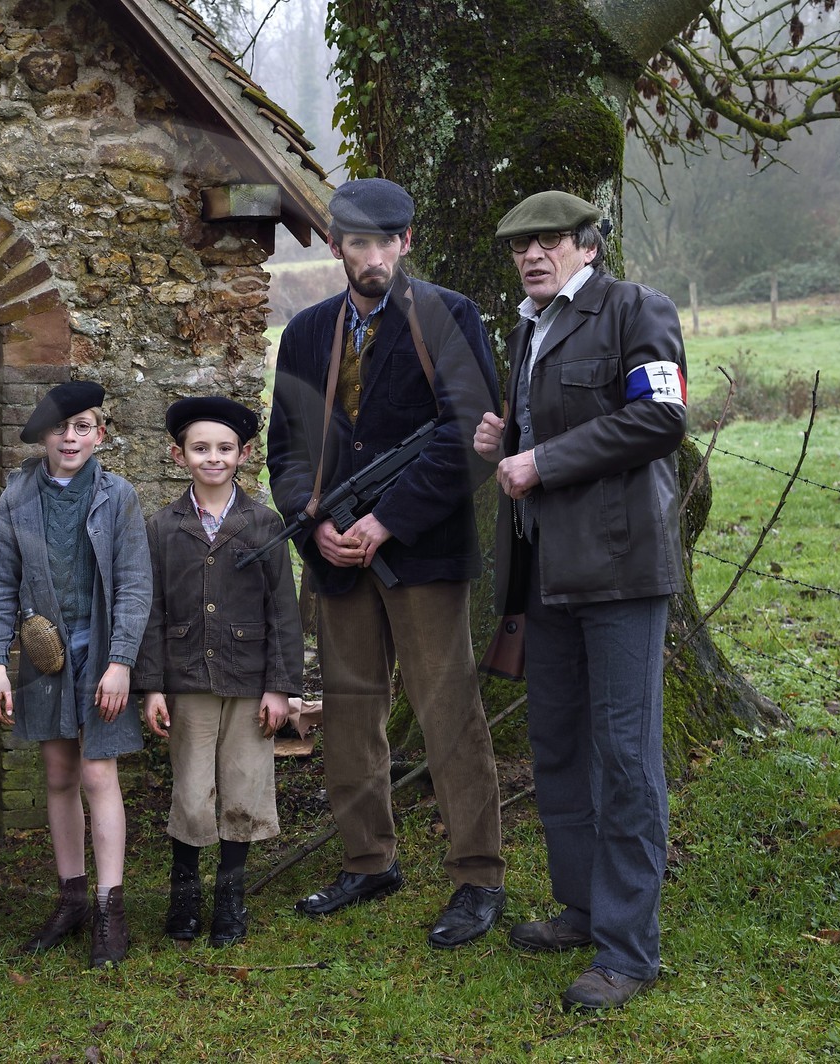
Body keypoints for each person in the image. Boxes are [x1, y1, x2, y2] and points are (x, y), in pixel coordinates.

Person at [267, 177, 507, 948]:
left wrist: (385, 520)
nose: (372, 257)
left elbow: (471, 436)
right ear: (335, 246)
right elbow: (287, 450)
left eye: (386, 242)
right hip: (337, 556)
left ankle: (478, 875)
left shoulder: (447, 315)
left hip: (424, 553)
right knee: (348, 714)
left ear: (407, 243)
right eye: (357, 243)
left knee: (450, 715)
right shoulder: (305, 334)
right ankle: (369, 860)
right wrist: (316, 523)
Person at [474, 190, 686, 1010]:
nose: (533, 255)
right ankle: (583, 908)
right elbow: (548, 427)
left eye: (551, 240)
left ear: (588, 246)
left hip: (623, 569)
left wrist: (544, 461)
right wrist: (508, 442)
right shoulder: (528, 327)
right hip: (547, 573)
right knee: (559, 745)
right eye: (522, 245)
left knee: (627, 758)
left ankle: (628, 952)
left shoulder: (635, 308)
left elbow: (660, 417)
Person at [0, 381, 152, 968]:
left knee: (97, 772)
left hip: (100, 652)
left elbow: (134, 587)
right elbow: (0, 583)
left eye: (83, 427)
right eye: (61, 427)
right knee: (57, 771)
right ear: (43, 436)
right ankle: (72, 897)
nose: (71, 437)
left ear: (99, 434)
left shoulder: (118, 496)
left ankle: (110, 906)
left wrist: (121, 663)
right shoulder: (18, 496)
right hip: (44, 654)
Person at [135, 397, 302, 947]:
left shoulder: (264, 524)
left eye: (224, 448)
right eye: (200, 448)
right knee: (190, 790)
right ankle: (184, 895)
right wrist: (153, 685)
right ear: (178, 454)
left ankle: (230, 899)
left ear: (244, 454)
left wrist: (281, 687)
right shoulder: (161, 527)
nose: (213, 458)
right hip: (187, 681)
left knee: (243, 788)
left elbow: (283, 611)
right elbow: (151, 610)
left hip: (251, 679)